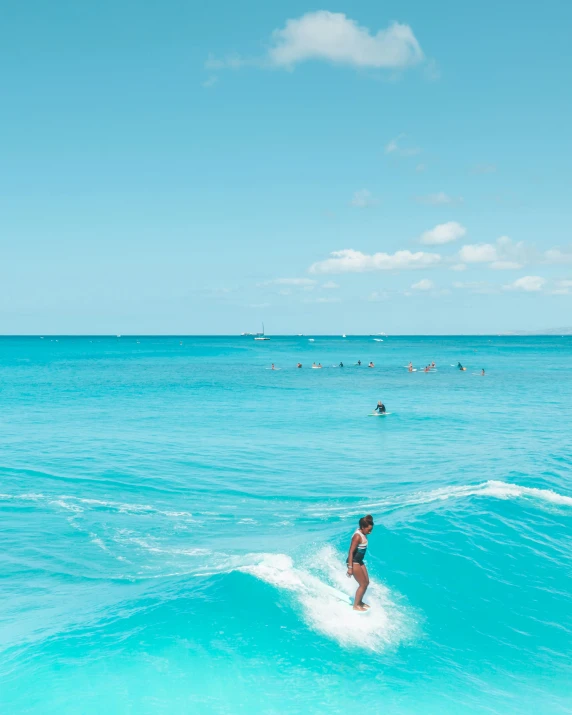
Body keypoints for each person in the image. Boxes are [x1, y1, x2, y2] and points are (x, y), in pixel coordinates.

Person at [347, 515, 374, 611]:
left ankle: (360, 602)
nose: (370, 532)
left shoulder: (363, 532)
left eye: (371, 529)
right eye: (369, 529)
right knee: (362, 584)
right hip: (354, 562)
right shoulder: (357, 536)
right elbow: (350, 552)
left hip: (359, 561)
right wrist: (350, 567)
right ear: (363, 527)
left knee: (366, 582)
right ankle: (355, 606)